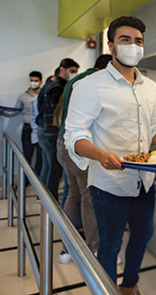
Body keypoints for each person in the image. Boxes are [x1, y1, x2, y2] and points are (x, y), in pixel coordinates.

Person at [64, 16, 156, 295]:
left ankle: (130, 286)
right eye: (125, 40)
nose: (133, 46)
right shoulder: (90, 85)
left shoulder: (149, 86)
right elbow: (74, 136)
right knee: (110, 245)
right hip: (108, 184)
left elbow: (154, 130)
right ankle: (107, 289)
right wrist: (100, 155)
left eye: (138, 41)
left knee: (143, 235)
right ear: (111, 45)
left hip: (144, 181)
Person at [57, 54, 112, 264]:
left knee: (73, 194)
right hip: (77, 148)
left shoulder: (74, 81)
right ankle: (94, 249)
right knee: (89, 198)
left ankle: (66, 248)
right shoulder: (92, 82)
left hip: (63, 144)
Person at [38, 58, 79, 200]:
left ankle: (42, 197)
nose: (74, 74)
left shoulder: (49, 84)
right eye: (72, 71)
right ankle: (51, 201)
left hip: (45, 130)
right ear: (62, 69)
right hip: (53, 132)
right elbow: (60, 112)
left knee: (48, 166)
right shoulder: (59, 87)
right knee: (54, 169)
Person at [1, 71, 43, 173]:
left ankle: (40, 180)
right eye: (31, 80)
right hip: (27, 129)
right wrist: (3, 113)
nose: (33, 83)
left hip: (40, 129)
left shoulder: (44, 94)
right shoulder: (23, 96)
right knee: (27, 155)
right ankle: (25, 181)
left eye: (36, 81)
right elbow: (15, 111)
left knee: (41, 156)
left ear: (40, 82)